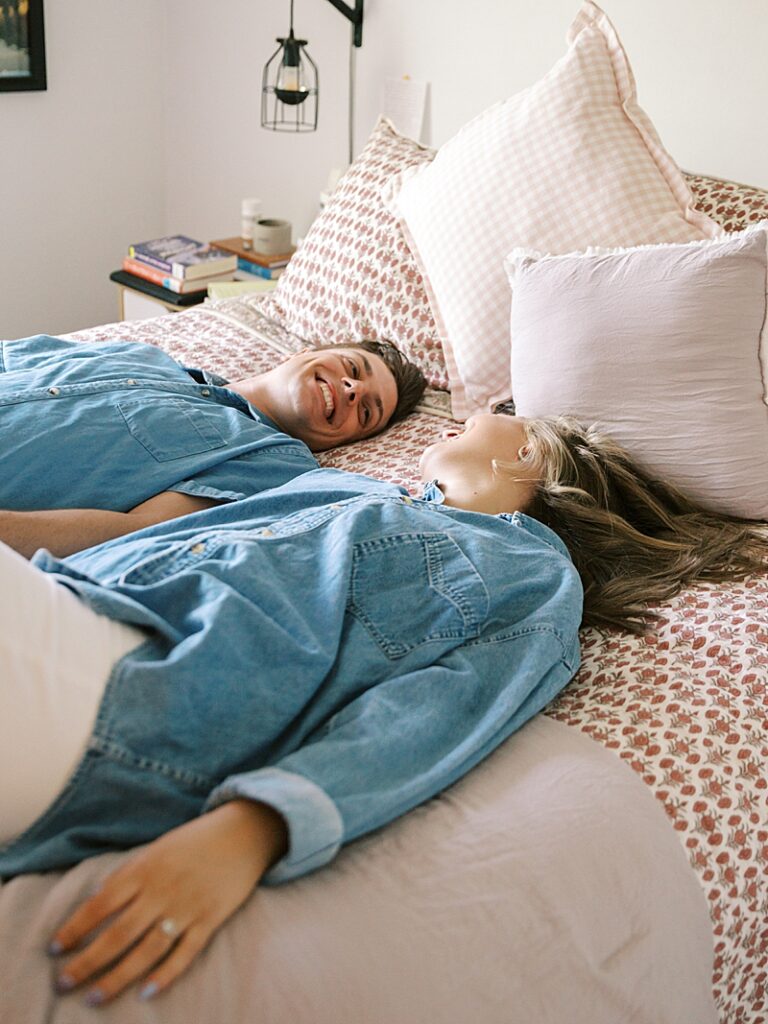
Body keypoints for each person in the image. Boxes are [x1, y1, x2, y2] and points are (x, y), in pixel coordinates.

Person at [1, 413, 765, 1008]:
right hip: (68, 610)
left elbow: (437, 716)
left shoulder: (529, 570)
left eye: (491, 417)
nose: (457, 420)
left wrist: (252, 829)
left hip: (122, 688)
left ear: (528, 456)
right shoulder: (361, 488)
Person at [0, 333, 426, 556]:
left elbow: (136, 533)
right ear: (309, 351)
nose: (352, 389)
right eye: (352, 368)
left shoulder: (275, 464)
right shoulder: (144, 357)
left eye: (366, 411)